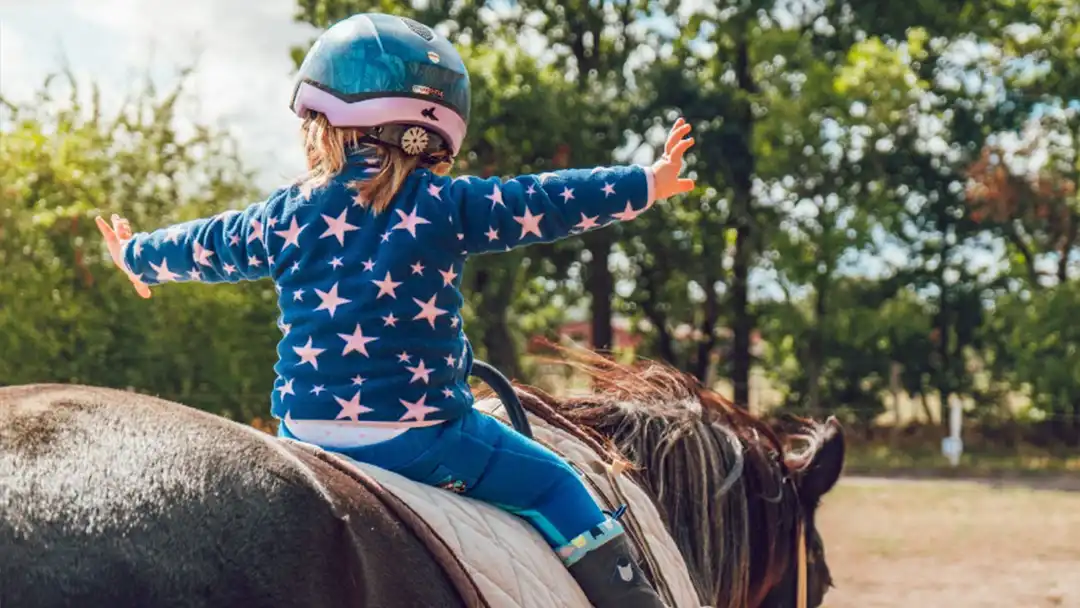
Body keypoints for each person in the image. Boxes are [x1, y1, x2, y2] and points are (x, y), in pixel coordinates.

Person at [97, 12, 694, 608]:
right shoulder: (447, 204)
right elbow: (544, 199)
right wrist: (647, 182)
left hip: (302, 434)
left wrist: (138, 255)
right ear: (435, 134)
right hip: (421, 437)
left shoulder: (283, 214)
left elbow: (211, 244)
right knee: (557, 484)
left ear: (322, 124)